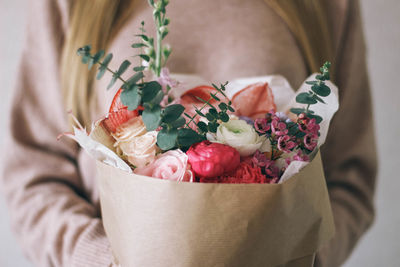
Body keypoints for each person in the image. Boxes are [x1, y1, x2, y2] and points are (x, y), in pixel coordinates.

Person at [1, 0, 376, 266]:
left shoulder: (327, 5)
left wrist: (297, 257)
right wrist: (105, 260)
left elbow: (349, 176)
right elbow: (34, 173)